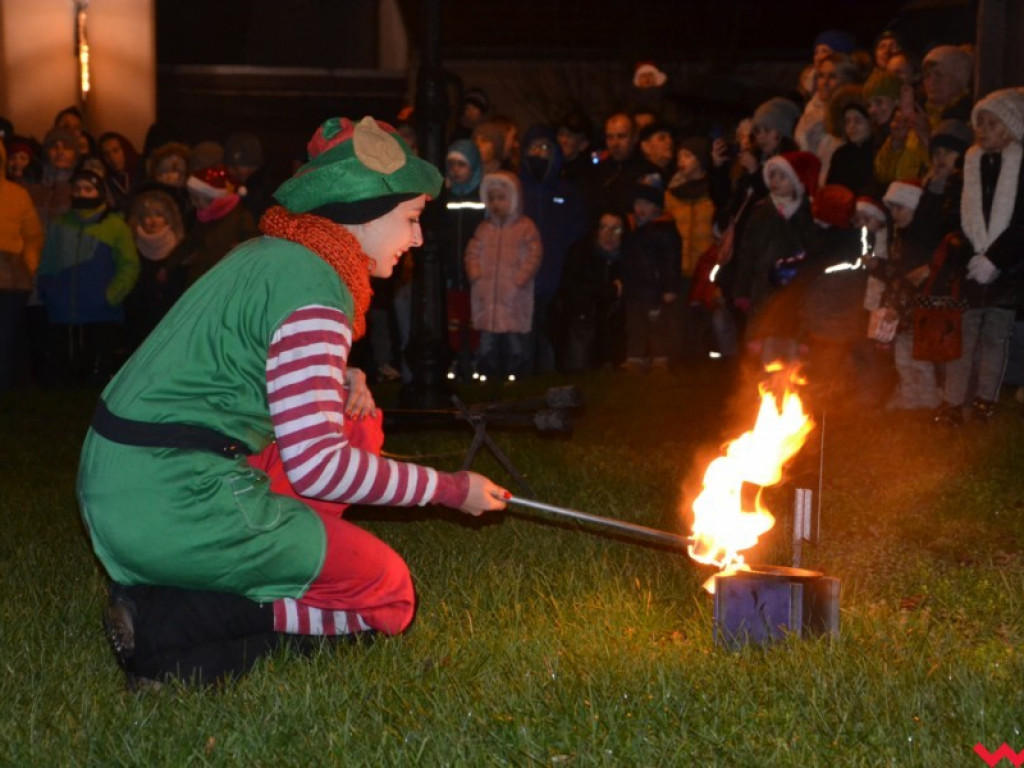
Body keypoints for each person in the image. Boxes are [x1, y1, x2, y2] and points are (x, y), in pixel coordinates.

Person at [82, 116, 509, 688]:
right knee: (388, 594)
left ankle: (175, 595)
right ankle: (168, 631)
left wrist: (343, 374)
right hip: (171, 497)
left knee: (361, 422)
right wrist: (451, 490)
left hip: (125, 484)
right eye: (410, 219)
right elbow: (319, 466)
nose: (417, 239)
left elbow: (251, 363)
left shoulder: (276, 255)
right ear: (364, 210)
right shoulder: (316, 294)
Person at [934, 90, 1024, 425]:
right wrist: (971, 256)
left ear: (1011, 127)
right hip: (970, 269)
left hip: (1007, 270)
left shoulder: (1020, 166)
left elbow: (1020, 222)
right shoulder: (967, 167)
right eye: (979, 124)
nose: (982, 131)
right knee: (964, 337)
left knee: (995, 338)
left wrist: (996, 259)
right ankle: (953, 401)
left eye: (991, 124)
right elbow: (953, 217)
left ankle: (986, 399)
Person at [36, 168, 139, 386]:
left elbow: (129, 265)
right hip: (63, 314)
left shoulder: (114, 226)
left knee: (96, 375)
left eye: (88, 189)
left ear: (99, 192)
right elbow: (46, 262)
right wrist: (48, 291)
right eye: (78, 189)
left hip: (101, 314)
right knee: (64, 374)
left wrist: (110, 296)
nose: (82, 194)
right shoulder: (60, 224)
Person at [465, 170, 543, 379]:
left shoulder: (525, 227)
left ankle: (516, 373)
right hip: (488, 294)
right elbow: (472, 252)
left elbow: (534, 254)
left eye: (501, 198)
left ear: (514, 199)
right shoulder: (484, 228)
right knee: (487, 338)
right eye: (491, 198)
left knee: (514, 339)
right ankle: (486, 372)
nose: (496, 203)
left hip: (514, 294)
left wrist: (521, 278)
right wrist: (476, 275)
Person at [620, 183, 681, 373]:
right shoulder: (631, 229)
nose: (640, 209)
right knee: (635, 325)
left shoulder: (665, 230)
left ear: (656, 207)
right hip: (634, 287)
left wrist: (669, 288)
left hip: (655, 289)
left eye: (646, 204)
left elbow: (671, 261)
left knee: (658, 325)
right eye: (638, 203)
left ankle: (660, 358)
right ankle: (635, 357)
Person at [0, 139, 45, 389]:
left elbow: (34, 236)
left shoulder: (17, 194)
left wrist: (27, 264)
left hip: (11, 278)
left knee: (5, 341)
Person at [557, 212, 626, 372]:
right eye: (604, 227)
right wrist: (611, 290)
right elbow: (576, 290)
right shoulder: (581, 253)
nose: (609, 234)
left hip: (615, 329)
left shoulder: (630, 258)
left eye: (615, 229)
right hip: (584, 322)